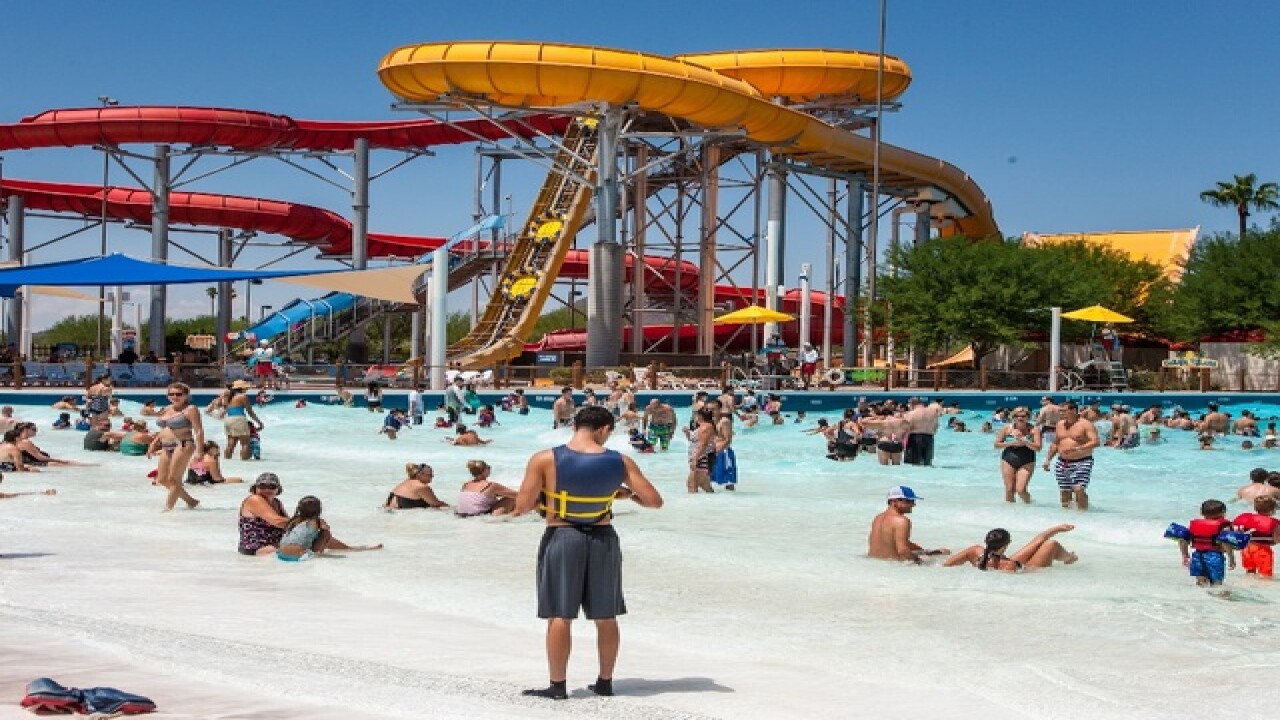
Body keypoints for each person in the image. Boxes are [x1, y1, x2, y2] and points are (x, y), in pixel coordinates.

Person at [513, 406, 663, 700]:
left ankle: (558, 686)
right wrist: (625, 493)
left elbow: (522, 507)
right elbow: (654, 501)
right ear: (605, 429)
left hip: (562, 535)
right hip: (603, 539)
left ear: (575, 426)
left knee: (559, 614)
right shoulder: (620, 461)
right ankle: (605, 683)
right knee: (605, 615)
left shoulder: (544, 459)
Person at [277, 495, 382, 561]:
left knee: (315, 535)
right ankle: (351, 549)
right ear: (319, 510)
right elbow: (326, 535)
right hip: (298, 556)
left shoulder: (294, 520)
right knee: (325, 533)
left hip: (281, 555)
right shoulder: (317, 521)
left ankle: (349, 548)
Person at [151, 383, 203, 511]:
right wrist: (154, 443)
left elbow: (199, 431)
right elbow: (166, 428)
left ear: (186, 395)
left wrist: (199, 451)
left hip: (183, 444)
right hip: (166, 446)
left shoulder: (191, 409)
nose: (175, 396)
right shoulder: (167, 408)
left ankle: (167, 510)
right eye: (171, 394)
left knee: (174, 479)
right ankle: (191, 501)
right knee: (162, 479)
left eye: (179, 394)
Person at [944, 524, 1078, 572]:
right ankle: (1069, 558)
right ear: (1005, 546)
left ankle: (1056, 530)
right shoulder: (1009, 565)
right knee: (1051, 545)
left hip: (1003, 562)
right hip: (1024, 569)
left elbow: (947, 565)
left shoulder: (974, 551)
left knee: (1044, 543)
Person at [1042, 401, 1100, 511]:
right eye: (1060, 411)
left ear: (1073, 410)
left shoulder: (1085, 424)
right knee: (1065, 491)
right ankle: (1066, 515)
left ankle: (1083, 515)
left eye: (1063, 411)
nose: (1060, 413)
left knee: (1078, 489)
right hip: (1062, 462)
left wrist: (1077, 448)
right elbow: (1056, 443)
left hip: (1082, 461)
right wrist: (1048, 459)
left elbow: (1096, 442)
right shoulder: (1060, 424)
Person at [867, 486, 949, 563]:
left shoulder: (878, 518)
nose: (913, 504)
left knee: (940, 552)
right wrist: (922, 564)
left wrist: (924, 551)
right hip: (893, 566)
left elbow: (891, 540)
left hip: (874, 562)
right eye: (909, 501)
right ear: (894, 501)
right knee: (945, 553)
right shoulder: (902, 521)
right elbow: (902, 551)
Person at [1177, 499, 1236, 588]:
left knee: (1201, 581)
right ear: (1223, 512)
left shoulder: (1194, 525)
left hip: (1197, 556)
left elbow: (1182, 540)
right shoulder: (1224, 526)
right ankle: (1218, 600)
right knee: (1217, 583)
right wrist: (1231, 557)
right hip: (1214, 556)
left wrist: (1185, 555)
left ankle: (1203, 599)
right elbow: (1225, 542)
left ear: (1201, 512)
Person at [995, 407, 1042, 504]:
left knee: (1020, 490)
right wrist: (1012, 443)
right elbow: (996, 445)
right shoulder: (1007, 428)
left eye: (1023, 416)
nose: (1020, 418)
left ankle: (1030, 506)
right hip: (1008, 458)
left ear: (1028, 417)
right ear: (1013, 417)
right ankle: (1010, 514)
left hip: (1027, 459)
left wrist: (1024, 440)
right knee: (1009, 489)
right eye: (1017, 416)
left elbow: (1038, 448)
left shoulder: (1033, 430)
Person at [1233, 495, 1280, 578]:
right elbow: (1276, 538)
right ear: (1272, 510)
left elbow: (1238, 533)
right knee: (1266, 575)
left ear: (1255, 508)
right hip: (1262, 551)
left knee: (1250, 572)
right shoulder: (1273, 523)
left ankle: (1250, 585)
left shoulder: (1247, 519)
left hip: (1246, 549)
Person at [224, 380, 264, 461]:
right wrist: (259, 423)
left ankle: (227, 462)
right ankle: (245, 464)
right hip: (239, 420)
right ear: (242, 388)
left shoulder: (229, 397)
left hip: (228, 420)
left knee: (230, 444)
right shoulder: (242, 397)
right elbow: (250, 412)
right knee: (245, 443)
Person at [384, 463, 448, 509]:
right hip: (401, 516)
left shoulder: (406, 482)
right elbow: (436, 503)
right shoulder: (421, 486)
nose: (432, 476)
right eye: (430, 475)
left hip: (388, 512)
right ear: (419, 475)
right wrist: (451, 508)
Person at [903, 397, 942, 466]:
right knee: (927, 463)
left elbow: (906, 428)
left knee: (914, 464)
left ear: (912, 404)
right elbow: (936, 427)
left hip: (915, 438)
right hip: (929, 438)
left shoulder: (911, 413)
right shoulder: (933, 413)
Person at [685, 407, 716, 493]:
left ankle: (693, 505)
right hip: (700, 457)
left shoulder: (705, 427)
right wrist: (688, 433)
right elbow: (695, 441)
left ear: (700, 416)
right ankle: (714, 503)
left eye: (696, 415)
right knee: (705, 485)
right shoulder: (702, 427)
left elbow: (703, 444)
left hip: (702, 458)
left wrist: (695, 459)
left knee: (691, 485)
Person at [711, 401, 737, 491]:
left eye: (714, 409)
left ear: (720, 409)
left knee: (728, 481)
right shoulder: (712, 421)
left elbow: (728, 440)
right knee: (711, 479)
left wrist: (718, 450)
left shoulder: (724, 422)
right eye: (709, 409)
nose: (711, 411)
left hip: (724, 453)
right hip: (714, 453)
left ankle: (732, 501)